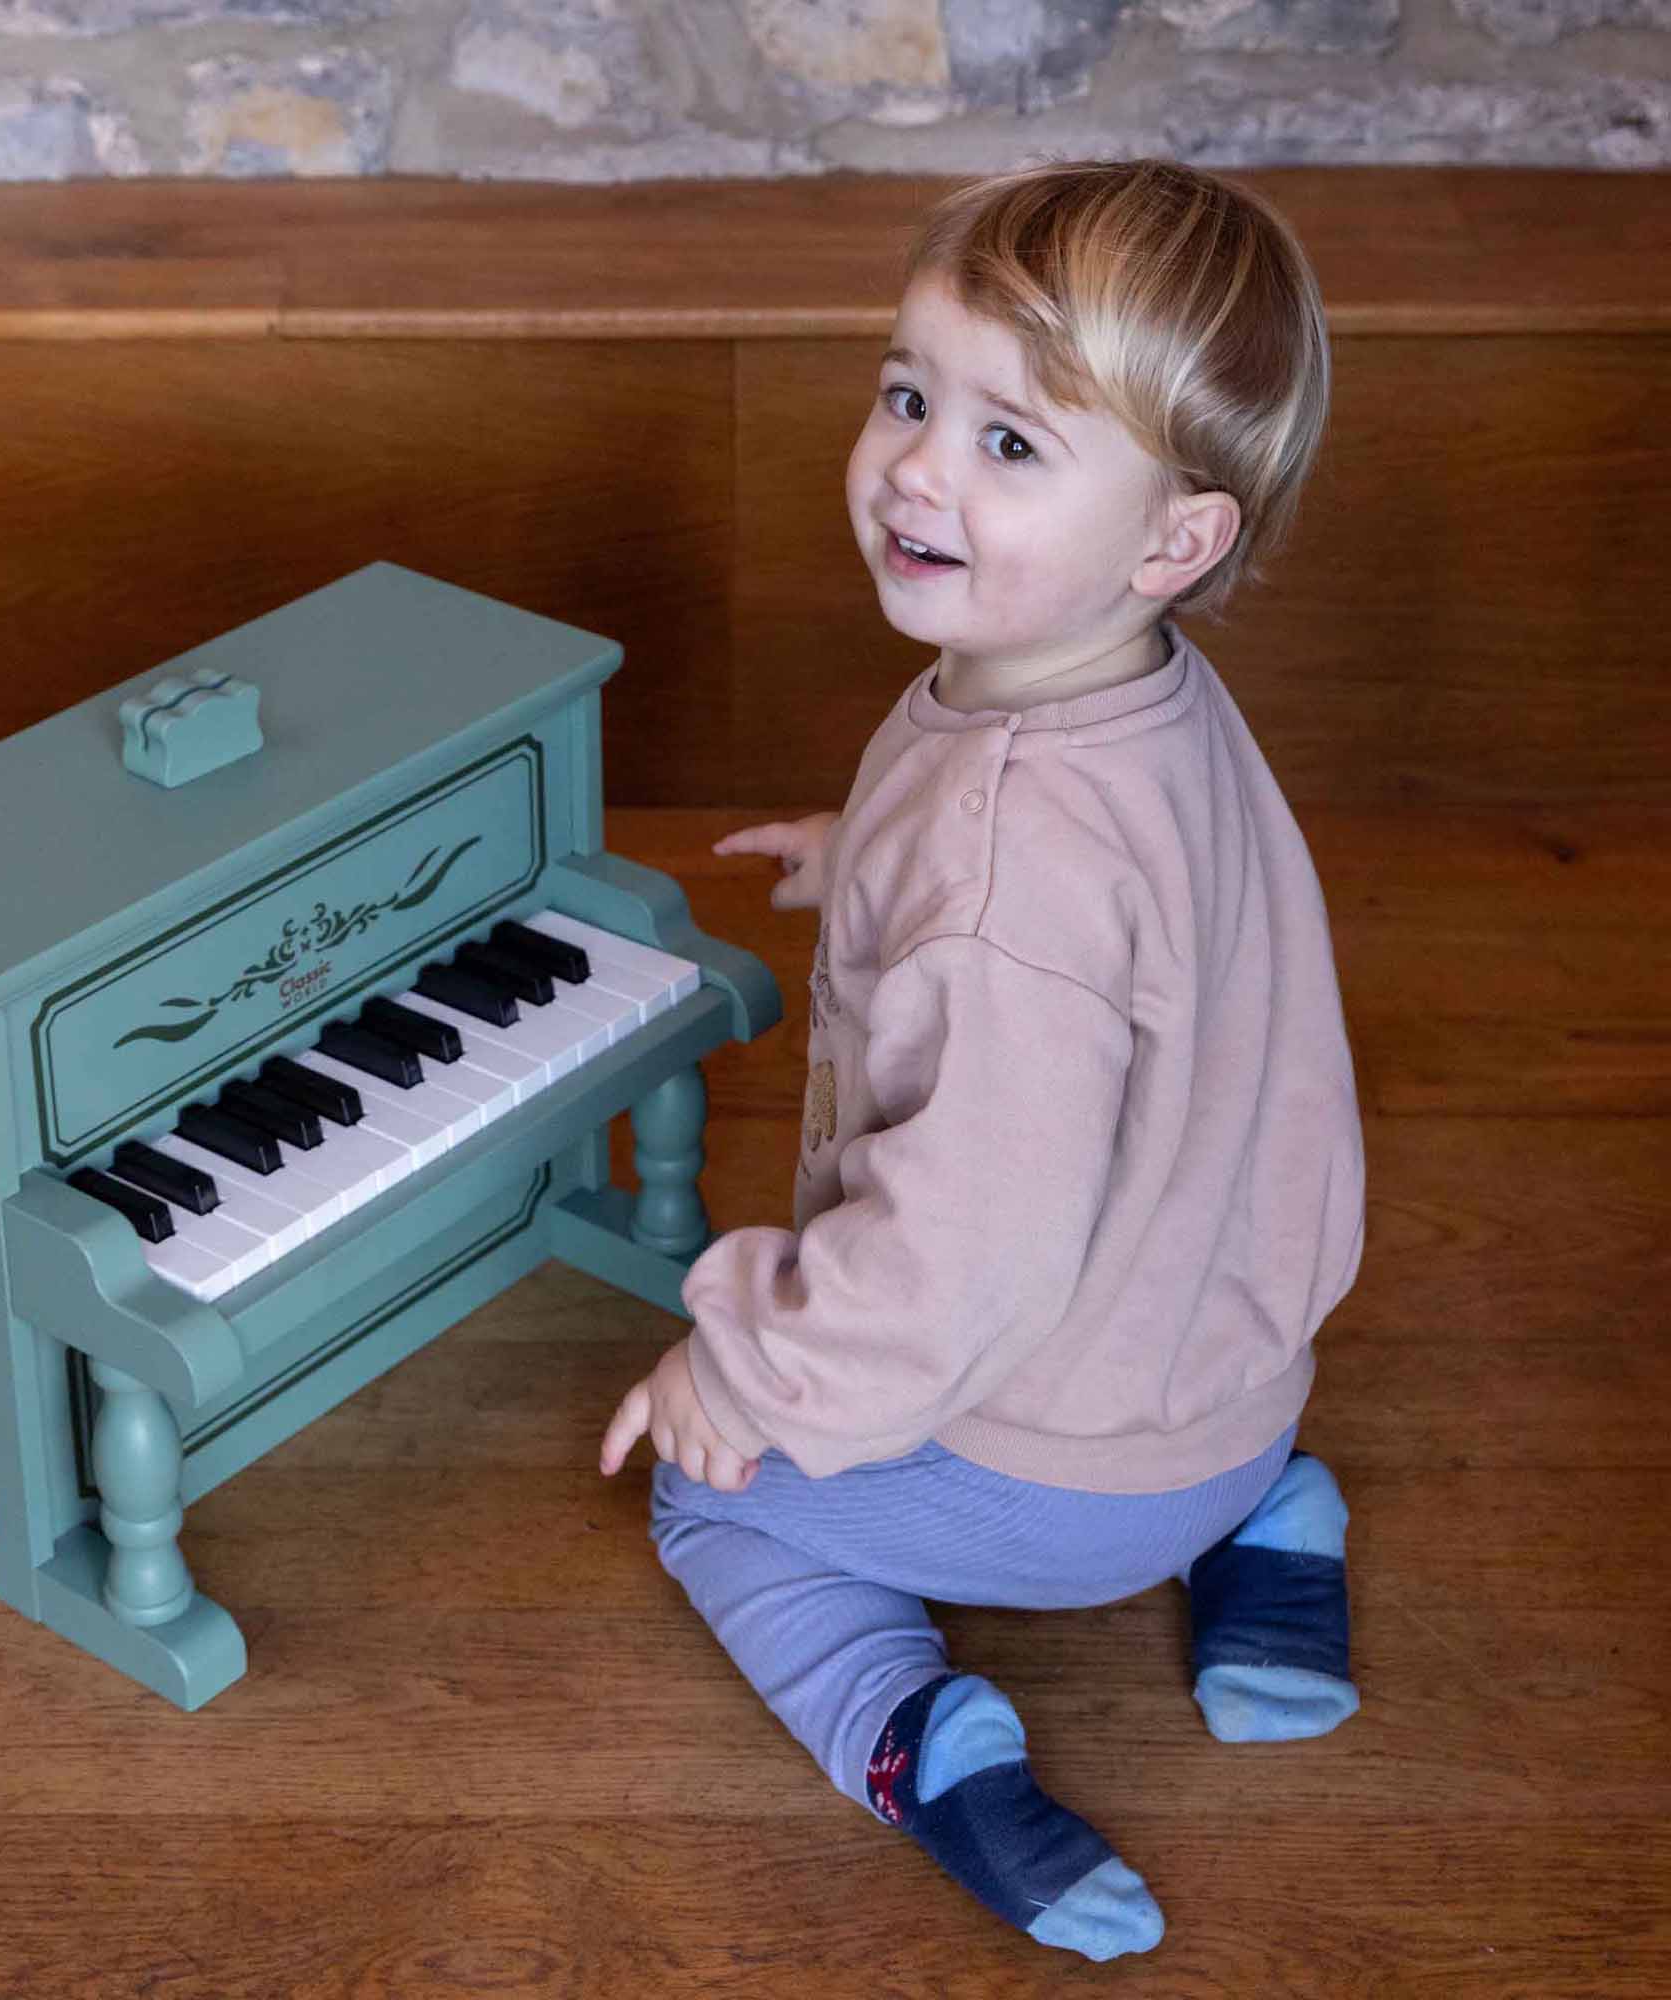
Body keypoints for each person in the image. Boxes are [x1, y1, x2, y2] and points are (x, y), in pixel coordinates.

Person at [597, 159, 1368, 1963]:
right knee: (1148, 1398)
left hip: (1072, 1472)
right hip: (1234, 1367)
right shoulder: (1126, 680)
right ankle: (1268, 1521)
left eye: (1011, 443)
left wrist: (751, 1376)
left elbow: (965, 1251)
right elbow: (1115, 935)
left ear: (1173, 540)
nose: (916, 470)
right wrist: (871, 857)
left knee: (709, 1502)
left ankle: (914, 1739)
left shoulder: (1011, 873)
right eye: (906, 395)